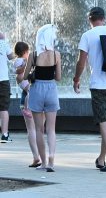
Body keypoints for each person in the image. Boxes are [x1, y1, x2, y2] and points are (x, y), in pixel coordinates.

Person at [73, 6, 106, 172]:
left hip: (99, 85)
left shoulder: (87, 35)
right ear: (104, 18)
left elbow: (81, 62)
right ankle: (102, 159)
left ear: (90, 20)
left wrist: (77, 78)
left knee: (104, 122)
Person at [23, 24, 61, 172]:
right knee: (51, 129)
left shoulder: (33, 54)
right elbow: (58, 77)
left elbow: (25, 76)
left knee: (39, 129)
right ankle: (52, 160)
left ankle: (44, 162)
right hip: (51, 89)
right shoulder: (56, 54)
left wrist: (33, 71)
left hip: (37, 89)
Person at [13, 41, 41, 167]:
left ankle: (37, 157)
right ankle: (40, 157)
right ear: (24, 52)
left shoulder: (28, 60)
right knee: (36, 129)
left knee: (33, 130)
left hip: (32, 95)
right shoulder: (21, 61)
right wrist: (26, 65)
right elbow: (18, 73)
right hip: (34, 97)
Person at [0, 32, 15, 143]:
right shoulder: (3, 43)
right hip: (3, 80)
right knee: (4, 108)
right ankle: (4, 135)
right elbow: (11, 56)